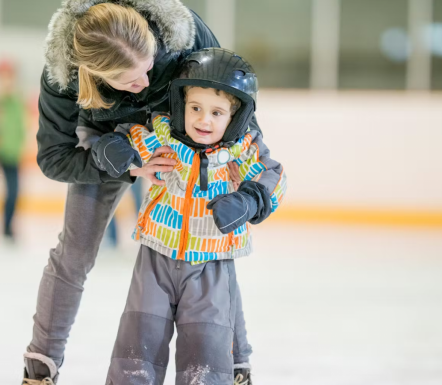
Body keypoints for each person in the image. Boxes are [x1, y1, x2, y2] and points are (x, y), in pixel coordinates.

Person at [23, 1, 262, 384]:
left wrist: (244, 162)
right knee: (75, 253)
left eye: (150, 68)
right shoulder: (63, 76)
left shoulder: (183, 34)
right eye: (132, 80)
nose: (146, 84)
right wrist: (123, 163)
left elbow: (230, 93)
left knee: (213, 244)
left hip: (178, 135)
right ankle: (40, 368)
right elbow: (54, 158)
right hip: (104, 142)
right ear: (94, 74)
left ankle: (237, 363)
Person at [92, 47, 287, 385]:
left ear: (234, 117)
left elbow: (274, 177)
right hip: (155, 258)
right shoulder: (165, 134)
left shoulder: (239, 148)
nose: (204, 120)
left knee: (205, 356)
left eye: (216, 112)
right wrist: (116, 149)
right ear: (182, 105)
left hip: (209, 267)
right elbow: (127, 137)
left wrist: (248, 201)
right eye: (195, 108)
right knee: (137, 345)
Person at [0, 58, 27, 240]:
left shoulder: (17, 100)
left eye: (9, 77)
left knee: (13, 191)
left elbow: (20, 127)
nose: (6, 81)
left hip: (13, 154)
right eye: (3, 77)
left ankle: (7, 226)